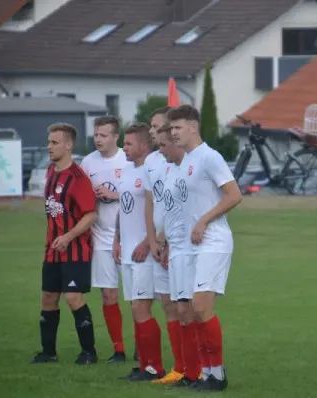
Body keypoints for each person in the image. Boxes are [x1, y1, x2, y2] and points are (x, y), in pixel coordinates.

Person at [167, 105, 243, 391]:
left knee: (200, 306)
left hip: (214, 241)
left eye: (178, 127)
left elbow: (235, 195)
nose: (173, 132)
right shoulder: (187, 161)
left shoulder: (210, 157)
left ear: (193, 127)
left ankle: (217, 375)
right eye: (171, 128)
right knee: (193, 311)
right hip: (191, 245)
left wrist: (204, 220)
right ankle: (206, 374)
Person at [30, 123, 98, 365]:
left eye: (54, 142)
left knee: (72, 298)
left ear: (68, 145)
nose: (49, 146)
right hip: (52, 251)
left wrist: (68, 236)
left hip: (75, 250)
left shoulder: (78, 178)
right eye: (48, 142)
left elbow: (90, 214)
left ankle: (89, 352)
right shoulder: (50, 171)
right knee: (48, 297)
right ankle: (48, 353)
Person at [114, 123, 166, 381]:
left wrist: (148, 241)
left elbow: (161, 210)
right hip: (126, 252)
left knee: (141, 307)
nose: (124, 148)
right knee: (135, 309)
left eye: (128, 143)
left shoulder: (153, 171)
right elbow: (121, 211)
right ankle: (144, 364)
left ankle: (154, 367)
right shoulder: (125, 171)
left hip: (143, 252)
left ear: (145, 145)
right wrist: (116, 239)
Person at [80, 116, 132, 364]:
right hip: (100, 239)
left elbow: (141, 195)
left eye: (103, 135)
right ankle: (118, 350)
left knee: (136, 296)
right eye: (96, 134)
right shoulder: (88, 162)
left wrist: (114, 194)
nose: (98, 139)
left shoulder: (128, 159)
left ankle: (142, 347)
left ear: (115, 137)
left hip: (129, 238)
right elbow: (79, 198)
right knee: (108, 295)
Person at [155, 123, 202, 388]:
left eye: (163, 145)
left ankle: (197, 371)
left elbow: (191, 213)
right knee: (180, 310)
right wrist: (165, 243)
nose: (160, 150)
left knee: (189, 310)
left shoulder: (189, 171)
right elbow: (173, 214)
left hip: (188, 250)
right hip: (175, 249)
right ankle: (188, 370)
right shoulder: (173, 172)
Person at [142, 107, 185, 384]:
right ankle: (179, 367)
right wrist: (152, 239)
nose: (152, 132)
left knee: (186, 306)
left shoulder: (179, 161)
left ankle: (191, 366)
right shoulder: (151, 161)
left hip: (176, 241)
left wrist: (165, 238)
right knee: (167, 304)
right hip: (159, 241)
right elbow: (150, 202)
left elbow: (178, 206)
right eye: (151, 127)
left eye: (157, 127)